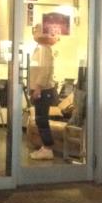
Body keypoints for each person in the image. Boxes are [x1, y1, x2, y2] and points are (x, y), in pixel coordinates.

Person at [29, 23, 59, 160]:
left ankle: (47, 148)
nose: (34, 32)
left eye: (36, 30)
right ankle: (45, 147)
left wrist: (38, 88)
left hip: (43, 90)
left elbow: (44, 70)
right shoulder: (42, 48)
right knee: (40, 119)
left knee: (41, 119)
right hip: (41, 89)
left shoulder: (44, 49)